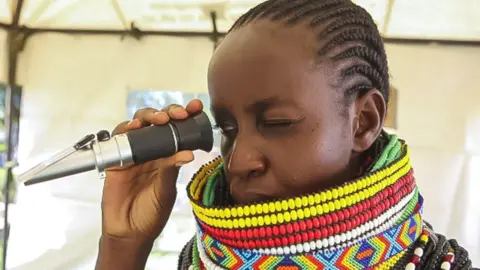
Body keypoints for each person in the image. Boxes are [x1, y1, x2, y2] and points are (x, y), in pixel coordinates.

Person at [95, 0, 477, 269]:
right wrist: (124, 244)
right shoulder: (197, 261)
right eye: (228, 129)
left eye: (277, 123)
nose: (239, 161)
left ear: (363, 121)